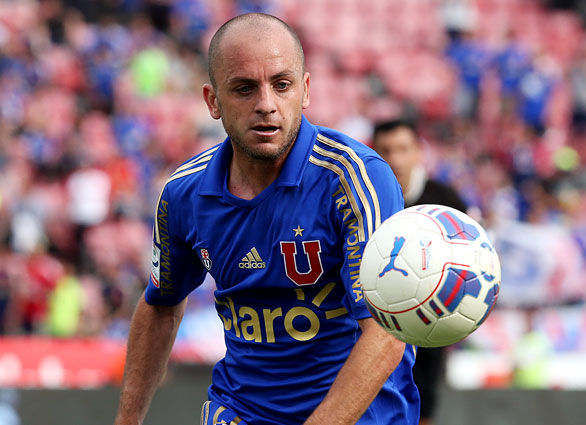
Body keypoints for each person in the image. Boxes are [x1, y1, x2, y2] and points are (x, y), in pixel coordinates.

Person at [115, 13, 420, 425]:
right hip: (241, 412)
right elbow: (160, 307)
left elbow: (385, 332)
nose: (266, 104)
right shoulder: (183, 193)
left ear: (305, 90)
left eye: (281, 84)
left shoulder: (356, 178)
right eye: (244, 88)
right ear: (213, 101)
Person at [372, 119, 467, 425]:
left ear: (417, 152)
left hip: (429, 326)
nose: (395, 159)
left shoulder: (447, 201)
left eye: (402, 149)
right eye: (386, 150)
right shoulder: (365, 199)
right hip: (373, 323)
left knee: (421, 405)